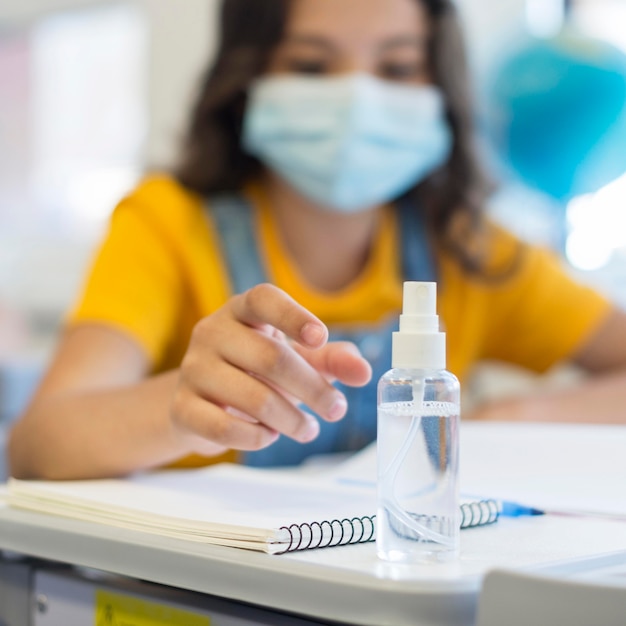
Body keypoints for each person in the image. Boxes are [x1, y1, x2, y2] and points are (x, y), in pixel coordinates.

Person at [8, 0, 626, 481]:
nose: (357, 97)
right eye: (310, 66)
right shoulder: (165, 223)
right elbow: (37, 444)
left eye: (397, 67)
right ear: (247, 76)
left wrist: (512, 422)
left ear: (440, 87)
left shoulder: (468, 248)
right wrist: (179, 408)